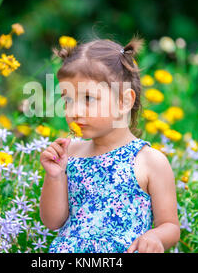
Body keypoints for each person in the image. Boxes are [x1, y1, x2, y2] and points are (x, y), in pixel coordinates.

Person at [39, 36, 180, 253]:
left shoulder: (149, 161)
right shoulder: (72, 153)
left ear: (124, 101)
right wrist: (54, 176)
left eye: (88, 98)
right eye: (68, 100)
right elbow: (53, 221)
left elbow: (170, 226)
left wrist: (155, 237)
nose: (74, 111)